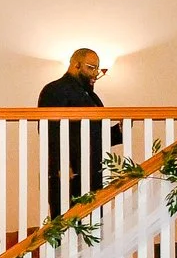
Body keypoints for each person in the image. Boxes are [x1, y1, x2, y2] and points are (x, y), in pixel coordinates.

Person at [36, 49, 121, 219]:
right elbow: (50, 132)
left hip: (93, 173)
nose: (95, 74)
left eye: (97, 69)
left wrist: (118, 131)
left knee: (95, 230)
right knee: (67, 226)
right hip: (69, 173)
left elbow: (97, 136)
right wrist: (62, 166)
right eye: (91, 68)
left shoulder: (92, 96)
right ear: (76, 65)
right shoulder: (54, 90)